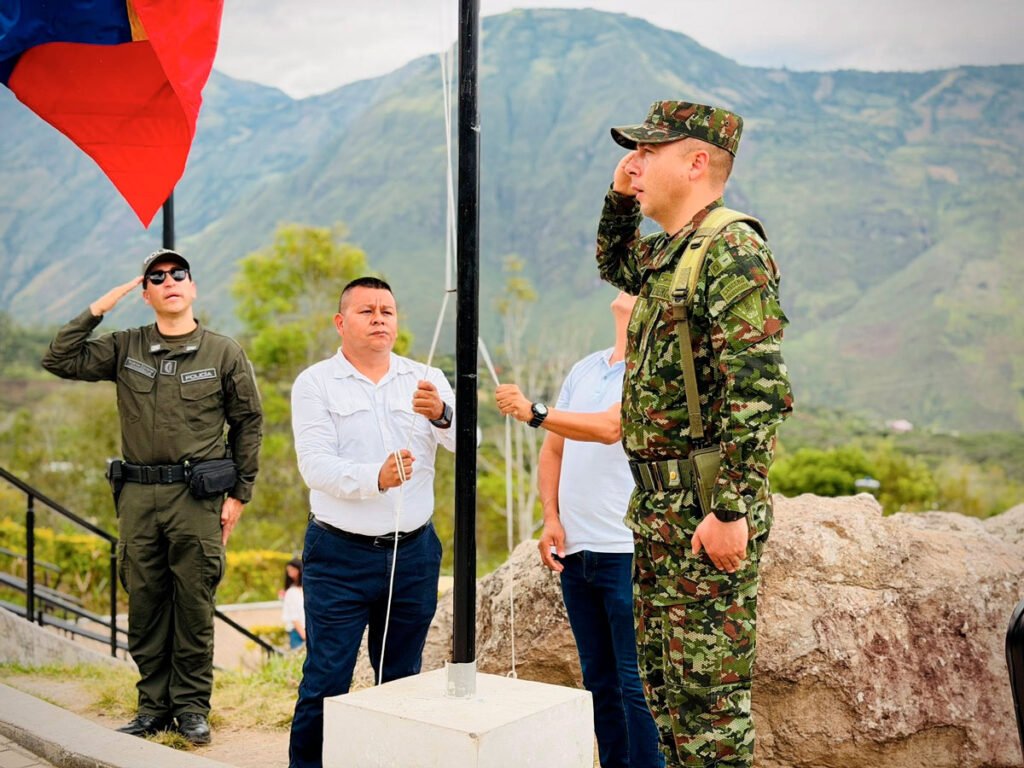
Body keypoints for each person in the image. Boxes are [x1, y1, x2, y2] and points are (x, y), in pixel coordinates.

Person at [594, 101, 794, 767]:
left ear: (697, 162)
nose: (637, 163)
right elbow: (616, 266)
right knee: (668, 700)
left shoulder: (732, 248)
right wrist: (620, 199)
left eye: (651, 152)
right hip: (661, 510)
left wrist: (728, 509)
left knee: (708, 711)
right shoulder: (674, 252)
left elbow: (757, 391)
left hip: (703, 508)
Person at [41, 248, 263, 745]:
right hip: (138, 497)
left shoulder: (223, 352)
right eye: (156, 277)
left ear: (193, 286)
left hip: (196, 498)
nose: (169, 282)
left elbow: (248, 423)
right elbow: (59, 358)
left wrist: (239, 494)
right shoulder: (126, 347)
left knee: (193, 604)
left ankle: (191, 709)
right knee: (144, 604)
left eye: (177, 274)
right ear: (145, 294)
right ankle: (152, 709)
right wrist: (101, 307)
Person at [288, 276, 455, 768]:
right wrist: (374, 478)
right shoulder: (315, 383)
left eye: (387, 310)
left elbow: (471, 444)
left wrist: (444, 415)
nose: (380, 317)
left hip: (415, 554)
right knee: (327, 676)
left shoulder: (426, 378)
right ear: (341, 323)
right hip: (340, 555)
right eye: (367, 310)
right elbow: (313, 465)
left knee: (402, 679)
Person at [495, 290, 663, 768]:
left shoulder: (653, 365)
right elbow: (555, 449)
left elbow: (612, 427)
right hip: (577, 551)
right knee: (599, 681)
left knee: (637, 683)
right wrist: (551, 517)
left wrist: (535, 411)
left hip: (627, 548)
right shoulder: (586, 369)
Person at [282, 558, 306, 650]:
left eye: (292, 570)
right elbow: (293, 616)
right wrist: (304, 635)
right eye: (288, 571)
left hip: (310, 632)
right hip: (298, 634)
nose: (290, 573)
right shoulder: (291, 592)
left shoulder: (308, 589)